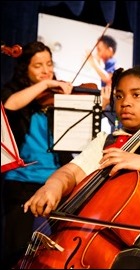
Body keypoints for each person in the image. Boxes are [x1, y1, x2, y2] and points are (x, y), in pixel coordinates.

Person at [23, 64, 140, 269]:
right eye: (119, 96)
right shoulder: (107, 140)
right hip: (96, 237)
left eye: (136, 95)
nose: (125, 103)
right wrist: (53, 185)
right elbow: (72, 171)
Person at [0, 41, 74, 269]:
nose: (45, 70)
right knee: (17, 247)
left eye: (49, 64)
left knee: (67, 241)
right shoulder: (14, 93)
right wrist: (47, 84)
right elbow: (10, 105)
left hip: (56, 180)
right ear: (25, 69)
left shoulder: (57, 97)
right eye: (38, 66)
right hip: (21, 181)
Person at [87, 34, 118, 133]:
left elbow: (108, 79)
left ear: (110, 50)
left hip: (112, 102)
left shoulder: (112, 63)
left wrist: (93, 62)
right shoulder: (106, 65)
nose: (98, 53)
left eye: (99, 49)